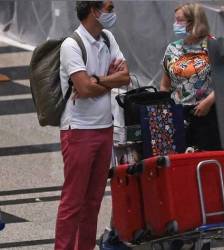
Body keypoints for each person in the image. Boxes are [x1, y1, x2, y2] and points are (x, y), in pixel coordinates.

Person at [55, 1, 130, 249]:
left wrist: (97, 79)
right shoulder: (71, 45)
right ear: (93, 11)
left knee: (94, 201)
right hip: (78, 130)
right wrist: (106, 80)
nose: (113, 12)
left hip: (105, 128)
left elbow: (125, 77)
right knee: (73, 201)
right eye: (109, 7)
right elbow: (83, 88)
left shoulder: (108, 38)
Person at [160, 3, 222, 151]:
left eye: (180, 21)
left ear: (195, 21)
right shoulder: (172, 48)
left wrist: (209, 101)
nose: (176, 25)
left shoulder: (212, 45)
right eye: (175, 21)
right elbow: (164, 85)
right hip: (178, 115)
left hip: (208, 113)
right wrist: (165, 112)